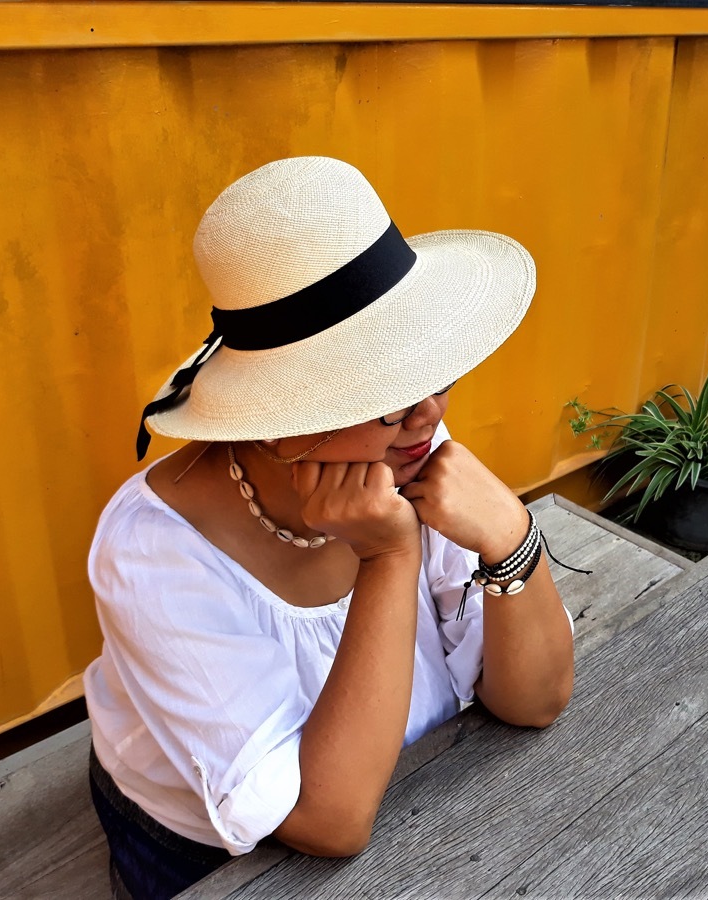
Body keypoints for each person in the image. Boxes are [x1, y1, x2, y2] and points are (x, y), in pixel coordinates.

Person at [83, 157, 575, 900]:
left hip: (434, 780)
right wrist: (388, 556)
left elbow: (535, 701)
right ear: (281, 426)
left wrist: (510, 534)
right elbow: (328, 821)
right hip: (219, 859)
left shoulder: (407, 451)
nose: (430, 416)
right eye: (385, 396)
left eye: (435, 375)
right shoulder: (155, 554)